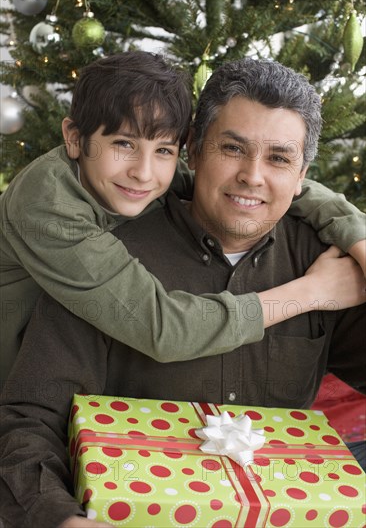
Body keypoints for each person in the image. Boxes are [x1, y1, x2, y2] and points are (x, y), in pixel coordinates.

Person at [1, 57, 365, 528]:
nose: (253, 176)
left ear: (300, 175)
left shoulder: (327, 258)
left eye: (278, 158)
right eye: (232, 148)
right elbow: (30, 417)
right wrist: (60, 517)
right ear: (196, 150)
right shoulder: (103, 253)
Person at [0, 52, 365, 386]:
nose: (144, 172)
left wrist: (357, 237)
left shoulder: (141, 178)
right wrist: (312, 292)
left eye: (162, 149)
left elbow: (266, 188)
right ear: (74, 139)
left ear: (181, 151)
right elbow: (163, 329)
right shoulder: (48, 206)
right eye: (123, 144)